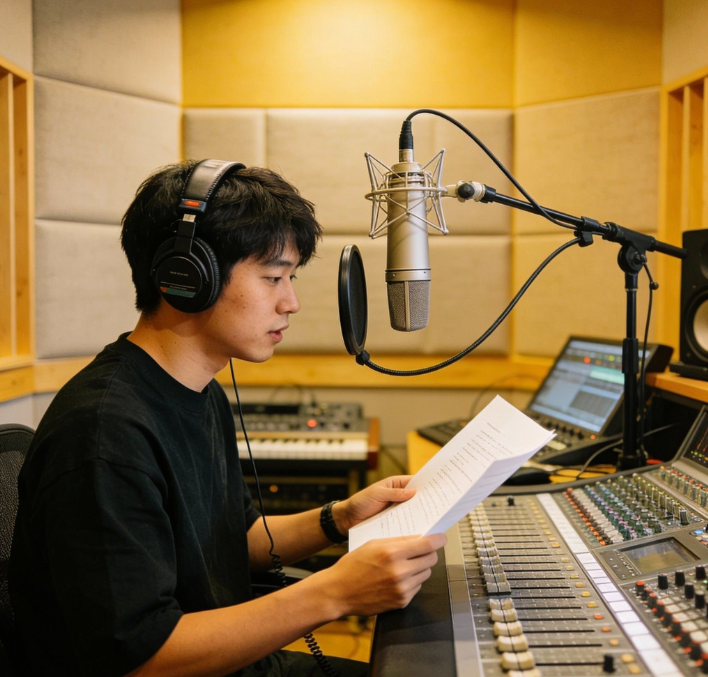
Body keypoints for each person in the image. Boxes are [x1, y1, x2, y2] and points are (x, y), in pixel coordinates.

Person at [9, 160, 445, 677]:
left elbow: (239, 537)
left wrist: (341, 517)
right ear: (188, 276)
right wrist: (334, 593)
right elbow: (139, 657)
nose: (291, 302)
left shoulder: (202, 392)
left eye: (291, 278)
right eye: (273, 277)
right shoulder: (104, 433)